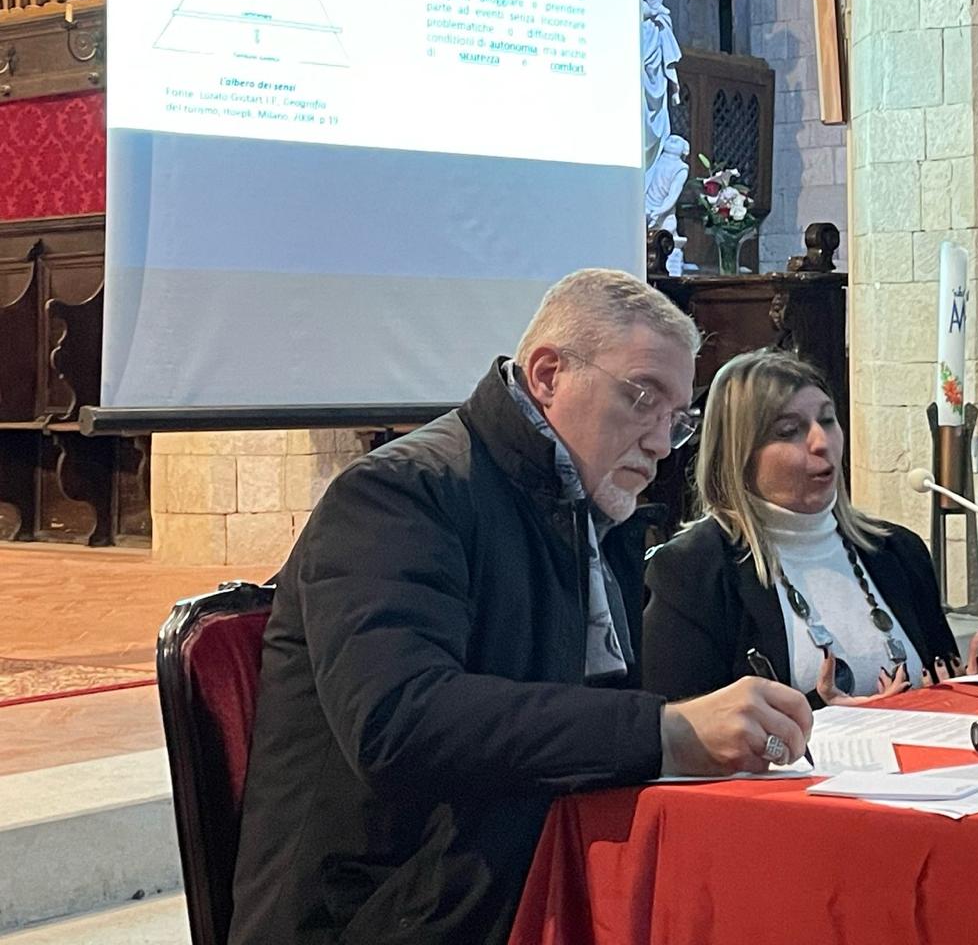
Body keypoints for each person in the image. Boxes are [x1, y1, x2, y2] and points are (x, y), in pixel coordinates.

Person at [229, 270, 812, 945]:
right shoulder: (399, 493)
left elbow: (581, 721)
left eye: (677, 420)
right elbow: (398, 722)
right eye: (642, 397)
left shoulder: (594, 509)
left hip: (512, 884)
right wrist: (667, 731)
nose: (660, 441)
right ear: (548, 374)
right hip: (379, 913)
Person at [642, 348, 978, 709]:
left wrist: (968, 694)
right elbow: (682, 725)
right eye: (789, 431)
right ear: (739, 455)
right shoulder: (690, 570)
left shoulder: (899, 551)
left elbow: (941, 677)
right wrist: (819, 712)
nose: (822, 442)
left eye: (828, 420)